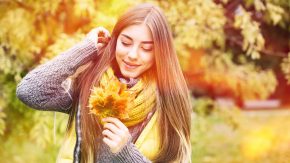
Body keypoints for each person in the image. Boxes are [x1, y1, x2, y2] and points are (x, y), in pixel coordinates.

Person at [16, 3, 192, 163]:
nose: (132, 54)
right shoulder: (90, 83)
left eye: (146, 48)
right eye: (125, 42)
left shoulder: (170, 100)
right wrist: (84, 49)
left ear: (159, 52)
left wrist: (126, 155)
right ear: (115, 41)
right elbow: (30, 91)